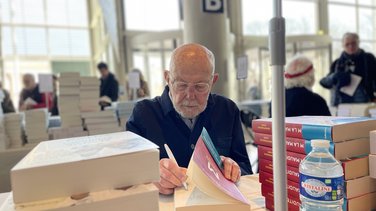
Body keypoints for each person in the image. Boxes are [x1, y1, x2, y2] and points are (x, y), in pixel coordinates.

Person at [126, 43, 252, 195]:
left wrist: (234, 169)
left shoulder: (227, 110)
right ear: (167, 78)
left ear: (213, 81)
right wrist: (150, 176)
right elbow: (127, 176)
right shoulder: (144, 114)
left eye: (200, 86)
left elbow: (246, 169)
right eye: (181, 85)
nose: (190, 96)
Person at [320, 32, 376, 106]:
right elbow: (326, 83)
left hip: (366, 102)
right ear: (343, 45)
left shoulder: (369, 59)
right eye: (347, 44)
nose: (351, 46)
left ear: (358, 43)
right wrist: (334, 77)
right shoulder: (337, 63)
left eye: (353, 43)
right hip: (342, 104)